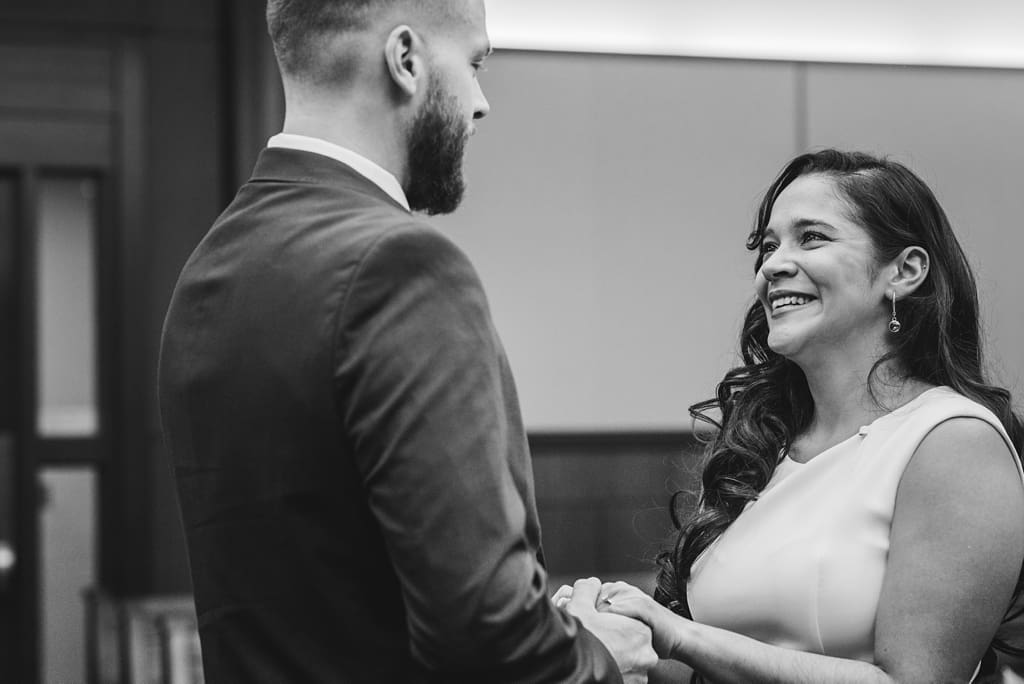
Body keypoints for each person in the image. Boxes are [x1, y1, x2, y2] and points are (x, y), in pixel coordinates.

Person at [157, 0, 657, 681]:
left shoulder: (209, 268)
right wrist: (599, 654)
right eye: (474, 64)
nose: (481, 103)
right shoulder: (401, 264)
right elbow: (485, 636)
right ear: (406, 59)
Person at [558, 149, 1024, 682]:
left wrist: (679, 634)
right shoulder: (763, 447)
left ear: (904, 271)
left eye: (812, 238)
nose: (772, 266)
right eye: (769, 246)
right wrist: (605, 634)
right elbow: (711, 668)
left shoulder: (953, 441)